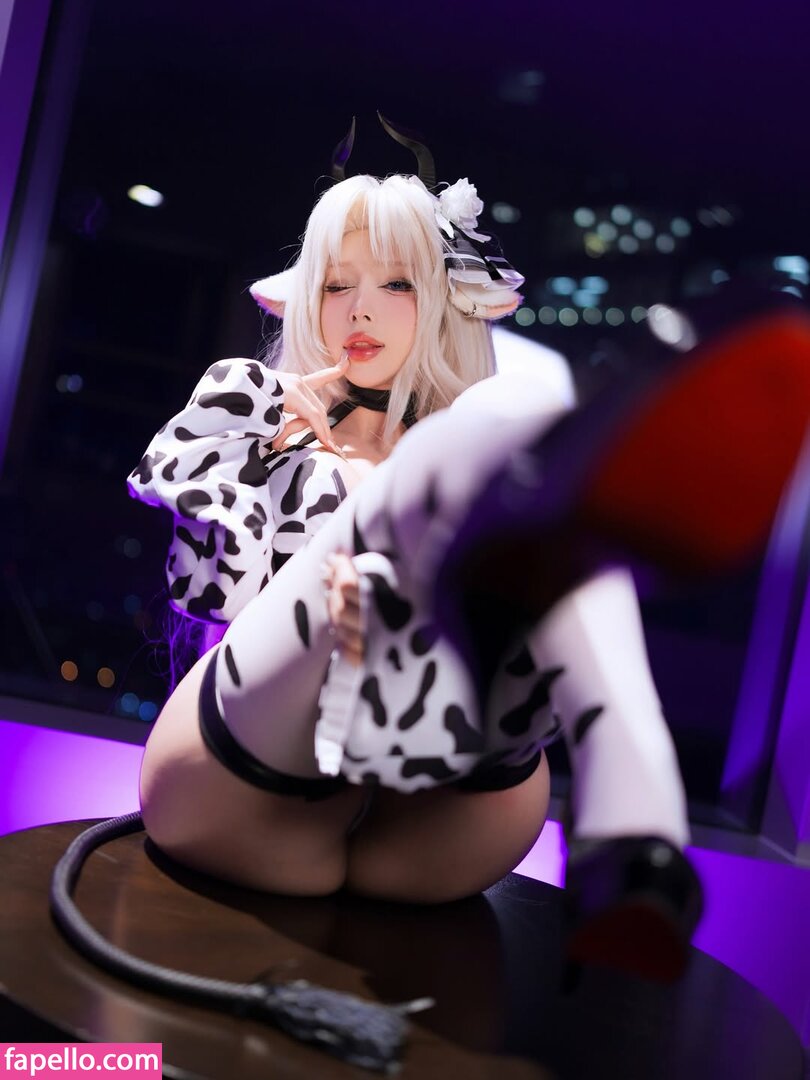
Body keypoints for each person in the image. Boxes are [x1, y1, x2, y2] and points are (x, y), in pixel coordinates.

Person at [127, 142, 810, 980]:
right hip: (255, 786)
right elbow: (210, 621)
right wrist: (274, 453)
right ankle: (636, 805)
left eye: (396, 284)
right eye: (336, 286)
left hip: (439, 812)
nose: (360, 312)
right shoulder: (251, 415)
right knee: (474, 471)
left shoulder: (465, 433)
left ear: (442, 301)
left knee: (526, 500)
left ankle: (631, 836)